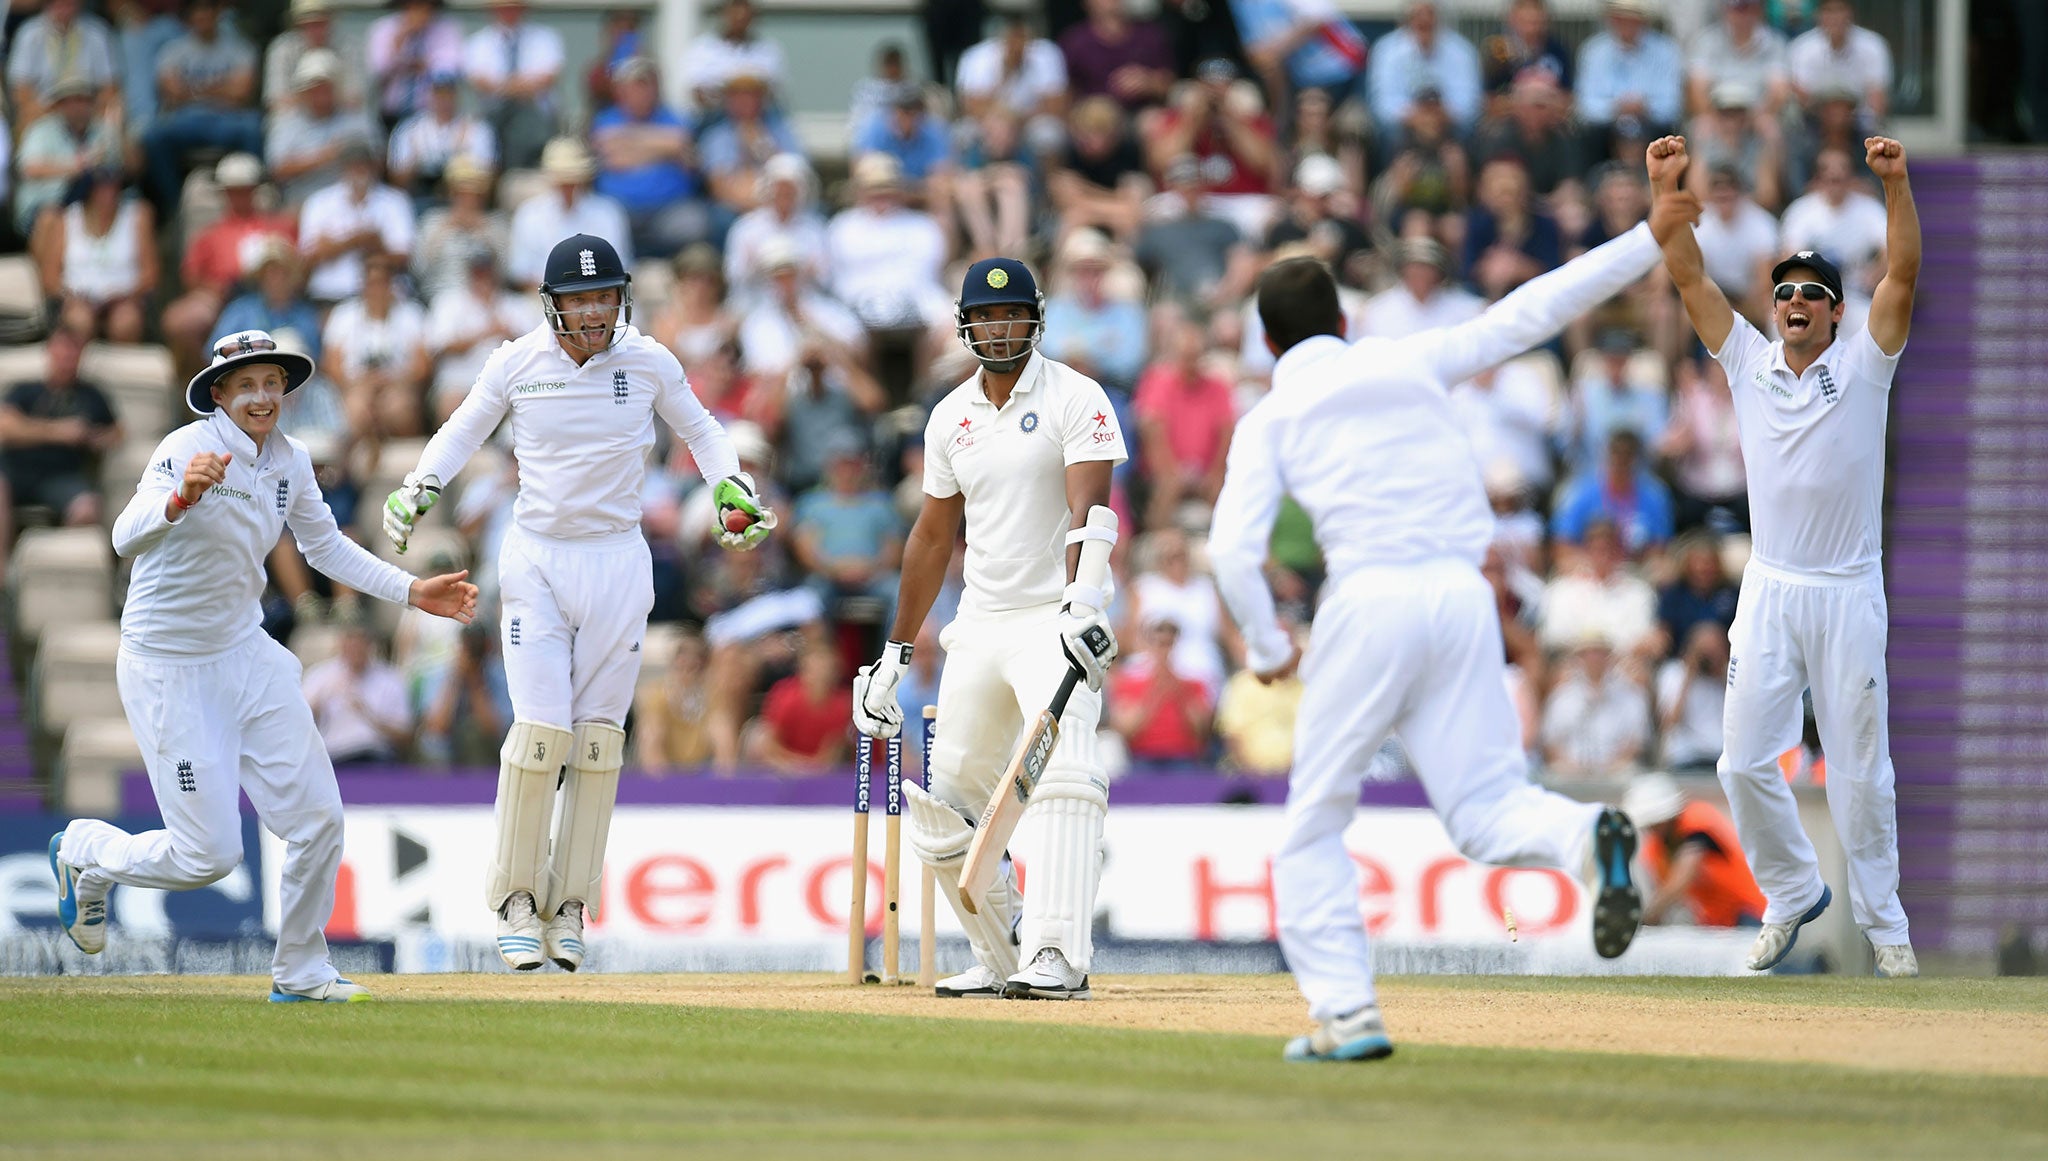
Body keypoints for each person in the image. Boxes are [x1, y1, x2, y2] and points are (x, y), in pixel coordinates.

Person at [1204, 212, 1678, 1059]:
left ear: (1268, 341)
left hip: (1370, 598)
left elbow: (1230, 554)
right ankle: (1582, 836)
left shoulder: (1271, 414)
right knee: (1488, 808)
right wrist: (1652, 235)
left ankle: (1346, 1012)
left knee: (1315, 819)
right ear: (1346, 325)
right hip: (1465, 598)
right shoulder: (1406, 355)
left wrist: (1269, 648)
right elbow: (1531, 311)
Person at [381, 234, 774, 974]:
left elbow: (704, 432)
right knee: (541, 734)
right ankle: (516, 900)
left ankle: (569, 906)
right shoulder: (516, 361)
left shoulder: (649, 359)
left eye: (604, 296)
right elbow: (464, 427)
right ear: (552, 304)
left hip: (619, 561)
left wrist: (733, 488)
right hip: (538, 558)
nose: (594, 312)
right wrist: (419, 484)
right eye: (580, 299)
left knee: (598, 743)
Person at [47, 328, 477, 1002]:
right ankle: (87, 852)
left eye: (271, 382)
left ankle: (302, 970)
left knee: (318, 820)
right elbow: (122, 534)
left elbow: (325, 547)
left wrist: (410, 590)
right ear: (218, 394)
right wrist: (180, 498)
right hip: (169, 665)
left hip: (246, 654)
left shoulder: (291, 459)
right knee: (207, 856)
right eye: (245, 384)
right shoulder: (184, 449)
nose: (261, 395)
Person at [1648, 132, 1920, 979]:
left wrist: (1897, 184)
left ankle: (1887, 932)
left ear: (1837, 310)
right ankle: (1793, 888)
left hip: (1846, 591)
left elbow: (1903, 276)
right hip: (1768, 588)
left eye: (1813, 293)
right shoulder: (1747, 361)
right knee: (1738, 761)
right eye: (1785, 292)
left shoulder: (1867, 364)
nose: (1796, 301)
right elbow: (1690, 276)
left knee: (1861, 777)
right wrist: (1664, 191)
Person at [851, 257, 1129, 1001]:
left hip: (1054, 620)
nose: (999, 328)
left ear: (1035, 320)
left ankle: (1058, 956)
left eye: (1012, 316)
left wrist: (1084, 599)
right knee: (946, 804)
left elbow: (1092, 509)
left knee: (1066, 772)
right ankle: (1002, 956)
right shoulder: (950, 415)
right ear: (966, 324)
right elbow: (932, 538)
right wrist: (893, 653)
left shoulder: (1079, 396)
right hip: (979, 623)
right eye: (986, 317)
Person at [0, 327, 122, 570]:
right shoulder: (26, 390)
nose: (66, 359)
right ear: (50, 352)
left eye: (72, 353)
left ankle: (60, 569)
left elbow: (117, 431)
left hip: (64, 476)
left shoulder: (91, 395)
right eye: (61, 352)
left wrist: (97, 438)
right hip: (17, 471)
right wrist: (59, 431)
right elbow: (6, 427)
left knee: (87, 508)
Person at [1623, 772, 1767, 927]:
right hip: (1718, 922)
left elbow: (1682, 878)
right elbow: (1664, 890)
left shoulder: (1697, 822)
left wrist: (1646, 917)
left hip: (1749, 912)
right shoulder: (1655, 848)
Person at [302, 622, 413, 765]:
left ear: (370, 646)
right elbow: (299, 724)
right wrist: (319, 703)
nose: (355, 649)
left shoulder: (391, 679)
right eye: (350, 642)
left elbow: (405, 736)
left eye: (361, 643)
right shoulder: (320, 676)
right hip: (332, 754)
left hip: (375, 754)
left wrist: (368, 714)